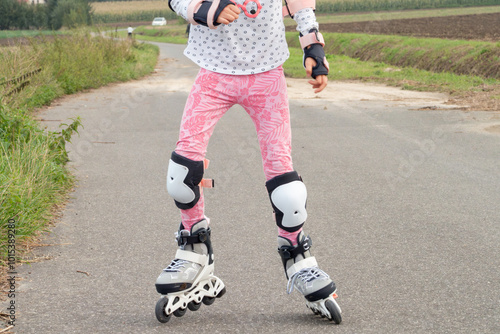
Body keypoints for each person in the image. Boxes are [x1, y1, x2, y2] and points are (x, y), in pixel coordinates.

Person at [154, 0, 342, 324]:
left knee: (287, 189)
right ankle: (194, 247)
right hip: (213, 73)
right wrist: (203, 10)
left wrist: (313, 48)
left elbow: (300, 6)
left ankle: (297, 254)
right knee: (182, 173)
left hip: (267, 75)